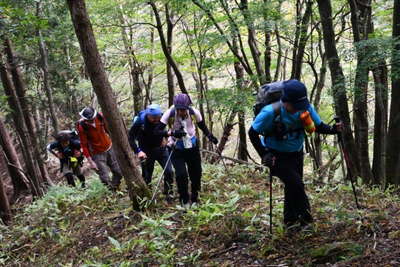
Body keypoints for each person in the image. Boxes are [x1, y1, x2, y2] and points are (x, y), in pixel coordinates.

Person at [248, 79, 341, 228]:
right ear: (285, 101)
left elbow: (318, 126)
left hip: (296, 153)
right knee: (297, 185)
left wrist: (333, 130)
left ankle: (289, 221)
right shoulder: (270, 112)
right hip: (276, 156)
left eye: (301, 106)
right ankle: (307, 221)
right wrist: (264, 154)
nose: (299, 110)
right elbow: (252, 133)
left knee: (292, 187)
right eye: (295, 106)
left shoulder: (305, 108)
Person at [155, 93, 218, 207]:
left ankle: (195, 198)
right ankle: (184, 200)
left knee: (196, 173)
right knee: (181, 175)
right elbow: (157, 131)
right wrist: (172, 133)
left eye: (183, 109)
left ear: (188, 107)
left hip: (192, 147)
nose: (181, 112)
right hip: (175, 148)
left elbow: (202, 125)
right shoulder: (169, 113)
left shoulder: (194, 112)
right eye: (178, 109)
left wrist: (210, 136)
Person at [128, 104, 174, 202]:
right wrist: (138, 151)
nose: (156, 119)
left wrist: (167, 139)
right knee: (147, 176)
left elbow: (163, 131)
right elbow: (130, 137)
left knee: (169, 171)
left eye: (158, 117)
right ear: (147, 115)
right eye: (153, 117)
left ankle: (168, 193)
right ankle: (147, 196)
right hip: (146, 152)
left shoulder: (162, 119)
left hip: (161, 149)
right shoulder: (140, 122)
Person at [77, 107, 122, 190]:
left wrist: (117, 144)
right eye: (89, 120)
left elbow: (108, 130)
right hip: (96, 154)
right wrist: (91, 162)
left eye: (92, 118)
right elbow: (84, 145)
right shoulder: (82, 127)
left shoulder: (100, 117)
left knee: (118, 172)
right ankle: (112, 192)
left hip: (109, 148)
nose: (91, 121)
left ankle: (115, 186)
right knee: (104, 177)